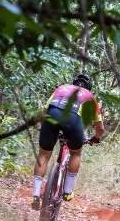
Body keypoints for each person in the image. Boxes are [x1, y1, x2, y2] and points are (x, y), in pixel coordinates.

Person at [31, 74, 105, 210]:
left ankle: (35, 194)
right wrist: (96, 138)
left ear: (73, 83)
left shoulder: (61, 88)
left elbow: (45, 110)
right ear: (89, 88)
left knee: (44, 154)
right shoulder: (90, 97)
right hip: (72, 120)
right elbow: (99, 127)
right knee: (76, 153)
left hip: (52, 116)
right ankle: (67, 192)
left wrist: (44, 127)